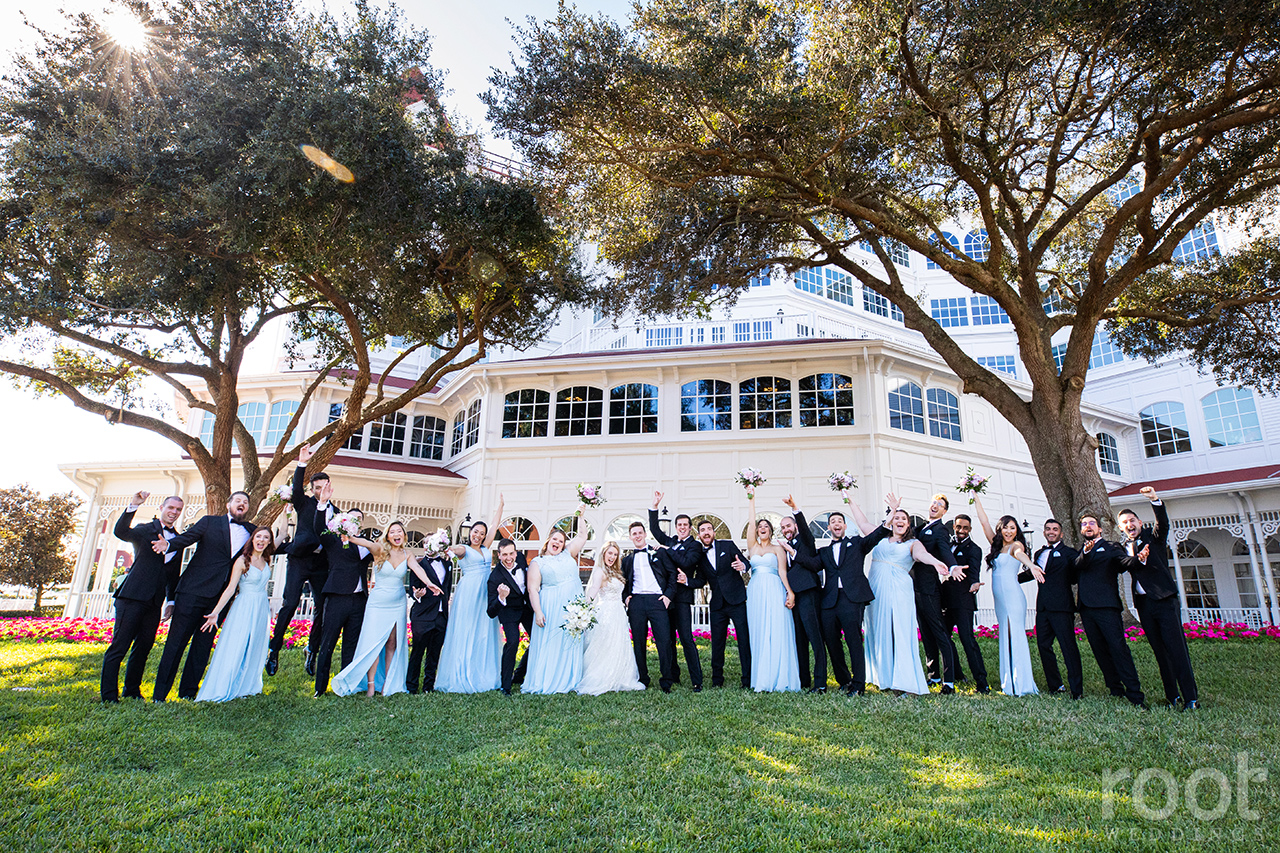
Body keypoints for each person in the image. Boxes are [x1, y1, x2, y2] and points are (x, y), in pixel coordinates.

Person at [150, 491, 256, 702]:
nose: (241, 504)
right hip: (192, 592)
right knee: (176, 643)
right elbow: (187, 538)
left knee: (202, 646)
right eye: (238, 501)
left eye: (245, 502)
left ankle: (188, 693)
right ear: (229, 505)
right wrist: (168, 545)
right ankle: (159, 695)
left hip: (219, 600)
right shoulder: (209, 522)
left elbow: (269, 546)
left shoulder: (251, 531)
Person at [332, 522, 438, 697]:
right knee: (374, 643)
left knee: (392, 643)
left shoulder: (407, 554)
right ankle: (371, 685)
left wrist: (429, 583)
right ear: (388, 535)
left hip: (398, 602)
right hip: (378, 603)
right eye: (392, 531)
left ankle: (387, 684)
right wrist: (348, 536)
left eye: (399, 531)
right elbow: (365, 543)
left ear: (404, 535)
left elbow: (417, 568)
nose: (396, 534)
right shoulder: (380, 549)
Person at [1120, 487, 1199, 710]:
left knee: (1176, 650)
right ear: (1121, 527)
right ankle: (1172, 696)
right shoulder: (1123, 547)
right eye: (1125, 522)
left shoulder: (1153, 538)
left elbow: (1162, 524)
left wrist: (1155, 500)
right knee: (1160, 652)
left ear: (1139, 522)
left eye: (1132, 520)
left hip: (1165, 601)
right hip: (1144, 605)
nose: (1129, 524)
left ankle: (1190, 698)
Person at [102, 491, 185, 702]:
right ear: (162, 509)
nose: (174, 512)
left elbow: (172, 575)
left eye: (178, 510)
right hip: (131, 597)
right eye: (171, 508)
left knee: (144, 647)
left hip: (154, 602)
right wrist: (133, 505)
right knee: (119, 646)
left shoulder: (177, 540)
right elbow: (120, 532)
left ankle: (132, 690)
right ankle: (109, 695)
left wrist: (171, 601)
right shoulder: (145, 529)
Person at [811, 493, 894, 695]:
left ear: (845, 526)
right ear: (829, 528)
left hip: (852, 599)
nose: (836, 524)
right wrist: (792, 551)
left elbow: (877, 535)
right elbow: (812, 565)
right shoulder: (823, 552)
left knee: (854, 641)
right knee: (831, 642)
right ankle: (844, 680)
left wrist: (891, 514)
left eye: (839, 521)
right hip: (829, 602)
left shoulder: (857, 543)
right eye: (832, 522)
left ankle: (858, 685)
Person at [864, 509, 955, 695]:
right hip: (876, 588)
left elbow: (921, 554)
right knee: (879, 629)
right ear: (890, 521)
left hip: (899, 588)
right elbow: (862, 522)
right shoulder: (880, 537)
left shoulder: (913, 543)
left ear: (908, 525)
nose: (900, 521)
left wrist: (935, 563)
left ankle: (904, 680)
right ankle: (884, 677)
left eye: (903, 519)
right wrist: (847, 493)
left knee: (900, 631)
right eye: (896, 518)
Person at [267, 444, 331, 677]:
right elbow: (295, 490)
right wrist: (301, 463)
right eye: (316, 488)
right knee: (290, 603)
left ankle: (312, 650)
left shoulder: (336, 511)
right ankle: (274, 650)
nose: (320, 490)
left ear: (329, 487)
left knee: (322, 609)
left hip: (321, 564)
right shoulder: (304, 503)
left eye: (324, 487)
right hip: (300, 560)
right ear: (312, 489)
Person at [195, 526, 280, 702]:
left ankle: (246, 685)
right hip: (244, 606)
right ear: (252, 539)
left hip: (261, 606)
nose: (262, 540)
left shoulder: (266, 559)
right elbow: (231, 589)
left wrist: (287, 511)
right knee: (237, 644)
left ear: (269, 541)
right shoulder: (242, 560)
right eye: (258, 536)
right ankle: (225, 685)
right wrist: (215, 612)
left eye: (266, 537)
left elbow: (285, 534)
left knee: (254, 645)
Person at [972, 496, 1043, 696]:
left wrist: (1031, 566)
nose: (1009, 531)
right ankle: (1009, 681)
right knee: (1006, 635)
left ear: (1016, 530)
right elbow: (984, 521)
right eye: (1005, 528)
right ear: (1000, 529)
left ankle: (1022, 683)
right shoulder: (996, 545)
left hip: (1013, 597)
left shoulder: (1016, 546)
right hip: (999, 600)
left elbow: (1021, 555)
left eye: (1012, 527)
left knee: (1016, 635)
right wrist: (975, 496)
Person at [1075, 513, 1147, 708]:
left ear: (1099, 529)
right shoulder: (1080, 551)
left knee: (1118, 649)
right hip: (1086, 609)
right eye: (1084, 524)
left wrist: (1137, 559)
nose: (1087, 526)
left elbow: (1124, 563)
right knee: (1099, 650)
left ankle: (1135, 694)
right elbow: (1075, 570)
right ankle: (1115, 688)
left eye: (1091, 523)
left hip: (1107, 607)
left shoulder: (1111, 547)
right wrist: (1086, 553)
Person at [435, 498, 505, 693]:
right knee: (467, 629)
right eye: (476, 532)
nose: (479, 535)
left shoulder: (485, 548)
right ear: (470, 533)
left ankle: (482, 672)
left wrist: (500, 507)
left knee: (484, 630)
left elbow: (494, 526)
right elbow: (452, 550)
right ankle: (461, 672)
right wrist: (444, 547)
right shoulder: (463, 549)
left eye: (482, 534)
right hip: (469, 593)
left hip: (486, 592)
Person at [523, 513, 590, 694]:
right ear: (548, 540)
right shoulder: (538, 562)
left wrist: (581, 515)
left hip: (572, 607)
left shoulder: (567, 553)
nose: (557, 543)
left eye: (561, 541)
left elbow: (582, 536)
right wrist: (538, 611)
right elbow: (533, 589)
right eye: (555, 539)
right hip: (551, 607)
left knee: (570, 642)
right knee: (551, 644)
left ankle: (570, 679)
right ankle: (549, 680)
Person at [312, 508, 375, 697]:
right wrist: (322, 505)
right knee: (328, 642)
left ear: (362, 524)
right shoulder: (333, 540)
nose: (355, 521)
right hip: (337, 597)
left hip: (359, 600)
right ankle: (320, 688)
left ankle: (346, 685)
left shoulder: (366, 544)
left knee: (351, 644)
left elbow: (383, 555)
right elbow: (318, 527)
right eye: (352, 518)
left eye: (359, 519)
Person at [1018, 519, 1083, 698]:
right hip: (1043, 608)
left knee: (1068, 647)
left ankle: (1076, 690)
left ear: (1061, 534)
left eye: (1055, 529)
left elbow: (1076, 574)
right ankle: (1055, 686)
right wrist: (1011, 580)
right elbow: (1032, 573)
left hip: (1062, 607)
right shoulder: (1039, 553)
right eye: (1048, 529)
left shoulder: (1069, 553)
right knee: (1043, 646)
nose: (1051, 532)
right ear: (1045, 532)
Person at [648, 492, 706, 690]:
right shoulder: (671, 541)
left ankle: (697, 680)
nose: (681, 528)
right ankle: (673, 675)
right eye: (679, 525)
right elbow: (654, 529)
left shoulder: (695, 546)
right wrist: (654, 506)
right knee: (668, 638)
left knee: (686, 638)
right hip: (666, 597)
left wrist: (666, 549)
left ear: (690, 528)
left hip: (682, 598)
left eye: (685, 525)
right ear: (676, 527)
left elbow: (687, 562)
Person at [743, 491, 800, 692]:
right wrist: (751, 499)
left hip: (775, 589)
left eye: (766, 526)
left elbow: (783, 573)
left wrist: (790, 593)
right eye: (760, 527)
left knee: (777, 629)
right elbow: (750, 523)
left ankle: (779, 676)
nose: (762, 529)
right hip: (756, 591)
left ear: (771, 530)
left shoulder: (778, 549)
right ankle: (762, 677)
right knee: (759, 630)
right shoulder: (752, 547)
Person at [578, 538, 646, 695]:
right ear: (603, 554)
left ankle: (620, 674)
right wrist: (583, 609)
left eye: (615, 554)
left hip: (618, 612)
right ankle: (601, 676)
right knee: (604, 644)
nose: (612, 557)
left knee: (618, 643)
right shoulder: (599, 572)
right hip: (606, 612)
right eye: (610, 553)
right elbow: (593, 590)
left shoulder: (616, 572)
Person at [690, 519, 751, 688]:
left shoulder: (728, 545)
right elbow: (700, 580)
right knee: (717, 643)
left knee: (744, 641)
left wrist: (743, 566)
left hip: (737, 600)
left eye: (709, 529)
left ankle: (748, 679)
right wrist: (686, 581)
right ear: (699, 535)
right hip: (717, 605)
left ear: (714, 532)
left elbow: (746, 562)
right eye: (703, 530)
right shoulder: (699, 556)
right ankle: (717, 680)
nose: (707, 532)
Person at [621, 520, 677, 692]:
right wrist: (626, 598)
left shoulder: (658, 554)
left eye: (640, 532)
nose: (637, 536)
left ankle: (666, 680)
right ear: (630, 537)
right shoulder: (627, 560)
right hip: (637, 601)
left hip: (657, 601)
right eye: (634, 534)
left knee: (664, 641)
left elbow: (672, 574)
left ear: (645, 534)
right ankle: (642, 678)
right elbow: (622, 581)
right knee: (638, 642)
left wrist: (668, 596)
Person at [780, 496, 827, 692]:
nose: (786, 530)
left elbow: (806, 532)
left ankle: (821, 683)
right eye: (782, 528)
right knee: (799, 640)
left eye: (788, 526)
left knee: (815, 639)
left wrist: (795, 510)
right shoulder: (784, 547)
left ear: (795, 527)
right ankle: (803, 681)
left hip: (809, 594)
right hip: (795, 598)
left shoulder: (805, 541)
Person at [914, 494, 960, 693]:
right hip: (915, 587)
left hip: (930, 588)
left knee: (940, 633)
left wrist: (953, 567)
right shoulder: (920, 527)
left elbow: (944, 549)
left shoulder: (940, 530)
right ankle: (933, 676)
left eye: (940, 505)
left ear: (944, 512)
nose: (935, 506)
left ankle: (948, 680)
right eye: (933, 502)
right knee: (925, 632)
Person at [943, 514, 991, 694]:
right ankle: (956, 674)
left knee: (967, 640)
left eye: (965, 528)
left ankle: (982, 682)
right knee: (945, 639)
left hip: (963, 601)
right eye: (958, 527)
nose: (962, 531)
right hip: (945, 600)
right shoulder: (947, 546)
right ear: (954, 527)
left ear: (970, 530)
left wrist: (975, 584)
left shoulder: (974, 549)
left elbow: (974, 572)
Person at [408, 536, 455, 694]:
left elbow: (447, 588)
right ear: (423, 545)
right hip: (423, 615)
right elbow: (412, 589)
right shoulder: (418, 564)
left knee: (434, 653)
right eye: (426, 542)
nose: (429, 544)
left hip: (441, 615)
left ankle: (428, 686)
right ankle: (412, 686)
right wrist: (417, 595)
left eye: (432, 541)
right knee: (417, 652)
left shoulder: (448, 564)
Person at [487, 538, 533, 694]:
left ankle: (519, 675)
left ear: (516, 552)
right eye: (504, 554)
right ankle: (505, 685)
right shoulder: (494, 577)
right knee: (513, 642)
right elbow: (490, 611)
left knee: (538, 639)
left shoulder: (520, 559)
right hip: (509, 612)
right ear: (498, 555)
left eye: (511, 553)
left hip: (526, 608)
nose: (508, 558)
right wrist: (501, 597)